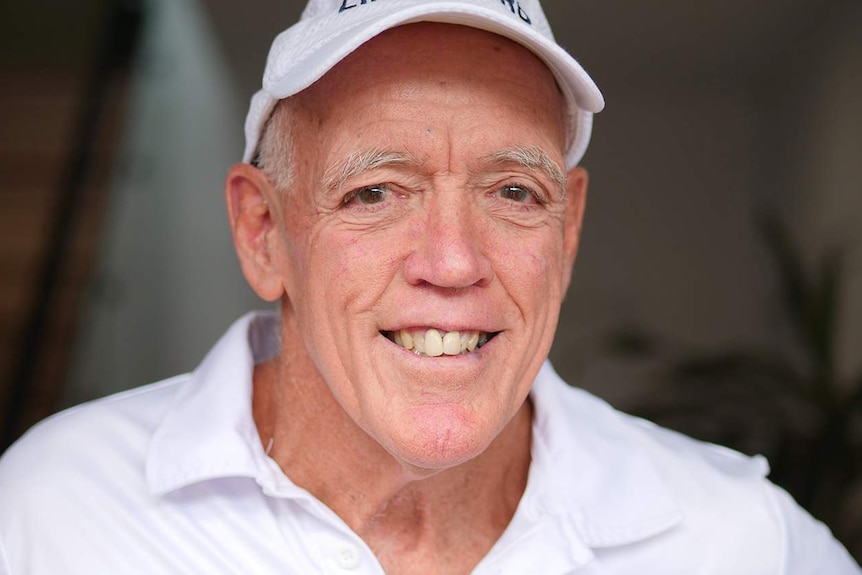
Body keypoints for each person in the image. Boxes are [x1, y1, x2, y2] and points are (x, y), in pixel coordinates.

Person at [0, 0, 859, 573]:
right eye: (375, 192)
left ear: (566, 231)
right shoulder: (54, 514)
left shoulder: (741, 542)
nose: (451, 262)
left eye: (513, 192)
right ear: (263, 233)